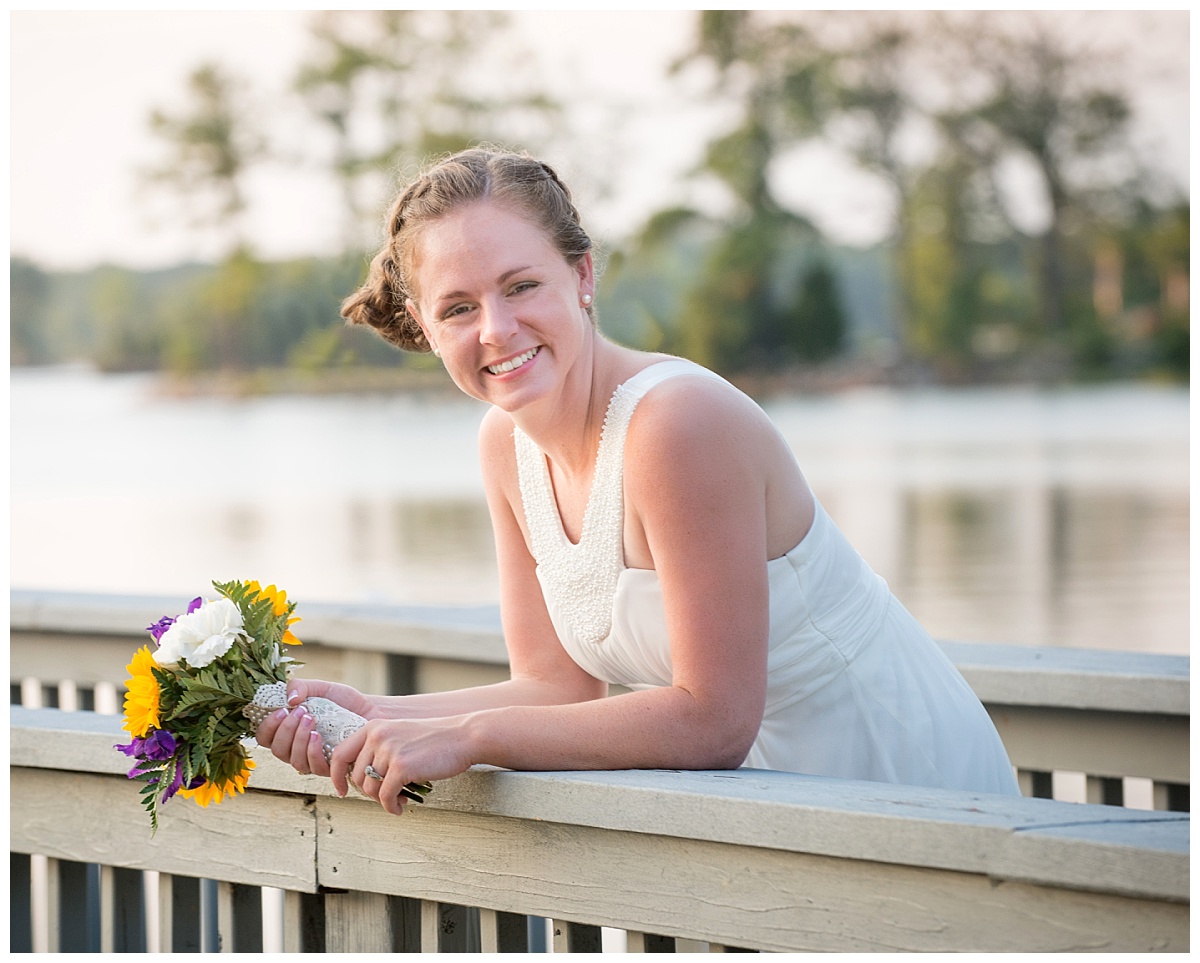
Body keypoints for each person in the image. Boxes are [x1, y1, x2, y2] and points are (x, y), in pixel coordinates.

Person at [255, 147, 1020, 814]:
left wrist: (468, 739)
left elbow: (714, 720)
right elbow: (555, 687)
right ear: (423, 326)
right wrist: (373, 713)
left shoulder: (676, 426)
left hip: (900, 777)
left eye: (521, 286)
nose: (496, 328)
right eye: (458, 307)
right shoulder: (505, 445)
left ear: (582, 274)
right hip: (775, 806)